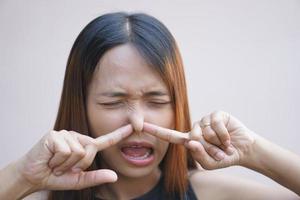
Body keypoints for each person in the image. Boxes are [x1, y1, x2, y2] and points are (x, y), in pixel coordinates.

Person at [0, 12, 299, 200]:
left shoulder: (209, 193)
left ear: (177, 108)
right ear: (81, 107)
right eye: (113, 101)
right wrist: (21, 177)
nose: (138, 122)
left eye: (157, 101)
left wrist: (253, 151)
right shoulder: (33, 194)